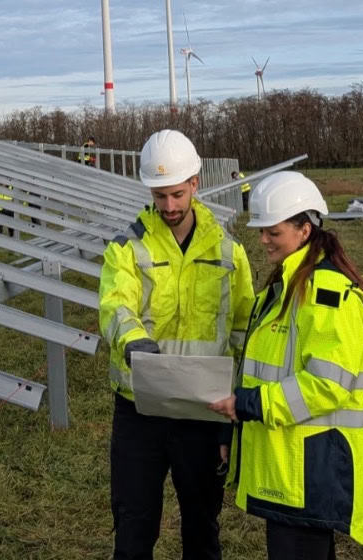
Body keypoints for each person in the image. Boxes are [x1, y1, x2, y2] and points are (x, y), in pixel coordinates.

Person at [208, 171, 363, 559]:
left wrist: (251, 404)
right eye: (261, 230)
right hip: (288, 468)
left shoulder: (326, 295)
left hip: (310, 469)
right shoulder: (286, 286)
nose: (262, 240)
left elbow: (328, 384)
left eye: (272, 232)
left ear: (304, 230)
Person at [99, 129, 256, 560]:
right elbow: (115, 306)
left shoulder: (228, 251)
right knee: (133, 529)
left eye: (176, 195)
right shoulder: (127, 248)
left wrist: (235, 411)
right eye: (160, 196)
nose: (169, 206)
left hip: (203, 411)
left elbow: (243, 330)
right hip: (139, 408)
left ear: (195, 184)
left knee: (202, 529)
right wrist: (136, 344)